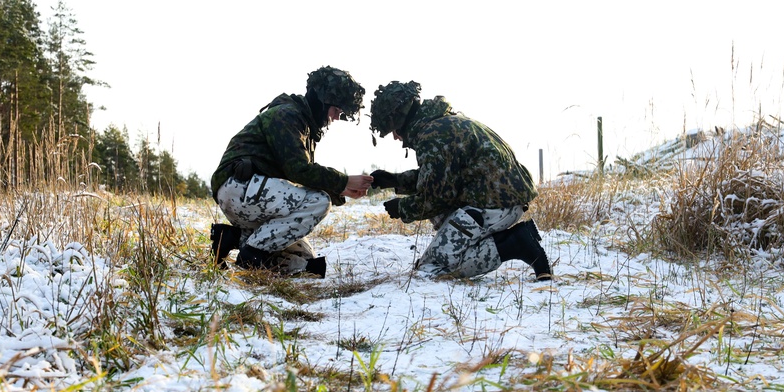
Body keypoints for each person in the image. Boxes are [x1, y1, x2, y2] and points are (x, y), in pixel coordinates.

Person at [368, 81, 552, 280]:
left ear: (400, 120)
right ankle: (495, 240)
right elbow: (439, 177)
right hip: (497, 202)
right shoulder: (443, 124)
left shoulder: (433, 135)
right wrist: (393, 180)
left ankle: (516, 243)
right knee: (433, 260)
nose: (395, 137)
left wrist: (402, 208)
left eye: (392, 130)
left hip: (494, 207)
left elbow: (436, 197)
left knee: (432, 270)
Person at [209, 66, 373, 277]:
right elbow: (298, 170)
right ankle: (251, 253)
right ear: (322, 101)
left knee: (306, 260)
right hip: (240, 187)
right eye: (336, 110)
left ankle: (231, 238)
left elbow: (301, 178)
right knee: (321, 202)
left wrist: (341, 190)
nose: (336, 118)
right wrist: (343, 181)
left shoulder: (303, 125)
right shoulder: (286, 115)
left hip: (251, 194)